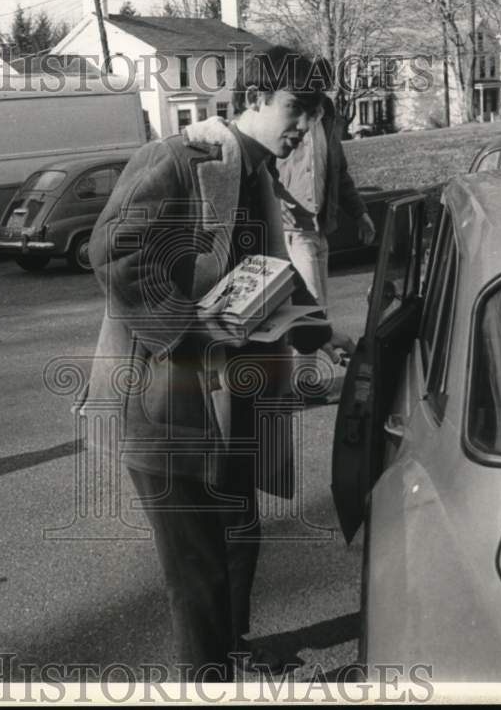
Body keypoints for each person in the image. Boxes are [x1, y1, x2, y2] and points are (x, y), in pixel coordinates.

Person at [81, 47, 336, 681]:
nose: (305, 127)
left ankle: (231, 649)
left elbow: (267, 271)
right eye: (296, 109)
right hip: (165, 401)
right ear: (254, 100)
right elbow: (111, 250)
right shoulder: (175, 160)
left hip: (227, 400)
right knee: (194, 562)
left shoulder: (253, 171)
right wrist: (191, 324)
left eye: (313, 113)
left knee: (238, 534)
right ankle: (209, 677)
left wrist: (320, 336)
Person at [276, 95, 373, 397]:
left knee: (318, 307)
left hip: (320, 228)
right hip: (294, 228)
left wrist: (361, 214)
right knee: (310, 306)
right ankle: (305, 384)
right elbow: (267, 171)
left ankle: (306, 379)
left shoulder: (327, 118)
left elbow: (340, 174)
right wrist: (277, 202)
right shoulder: (288, 118)